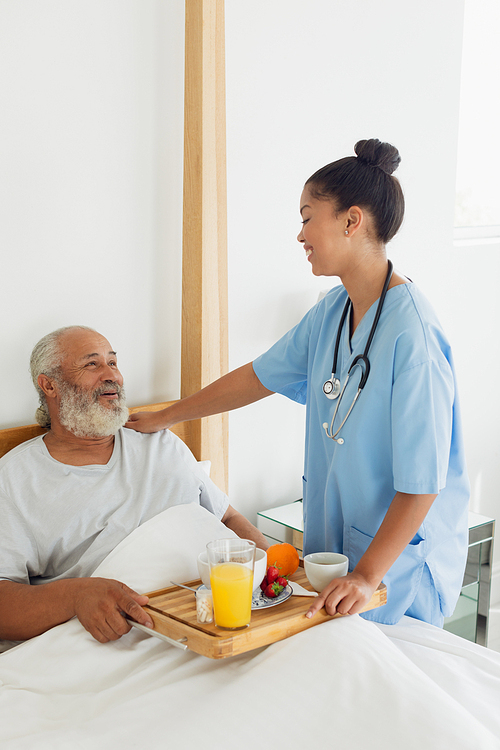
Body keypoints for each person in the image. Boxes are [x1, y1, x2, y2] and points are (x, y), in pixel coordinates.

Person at [126, 138, 470, 628]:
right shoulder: (332, 310)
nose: (300, 234)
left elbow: (423, 484)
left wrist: (369, 576)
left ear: (351, 221)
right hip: (339, 554)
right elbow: (256, 377)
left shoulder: (414, 336)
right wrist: (167, 416)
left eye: (308, 217)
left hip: (398, 566)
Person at [0, 326, 267, 650]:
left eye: (113, 363)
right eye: (92, 365)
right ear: (49, 385)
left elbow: (227, 519)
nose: (111, 375)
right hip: (117, 643)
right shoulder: (16, 479)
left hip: (228, 620)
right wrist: (75, 596)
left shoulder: (160, 441)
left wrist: (271, 576)